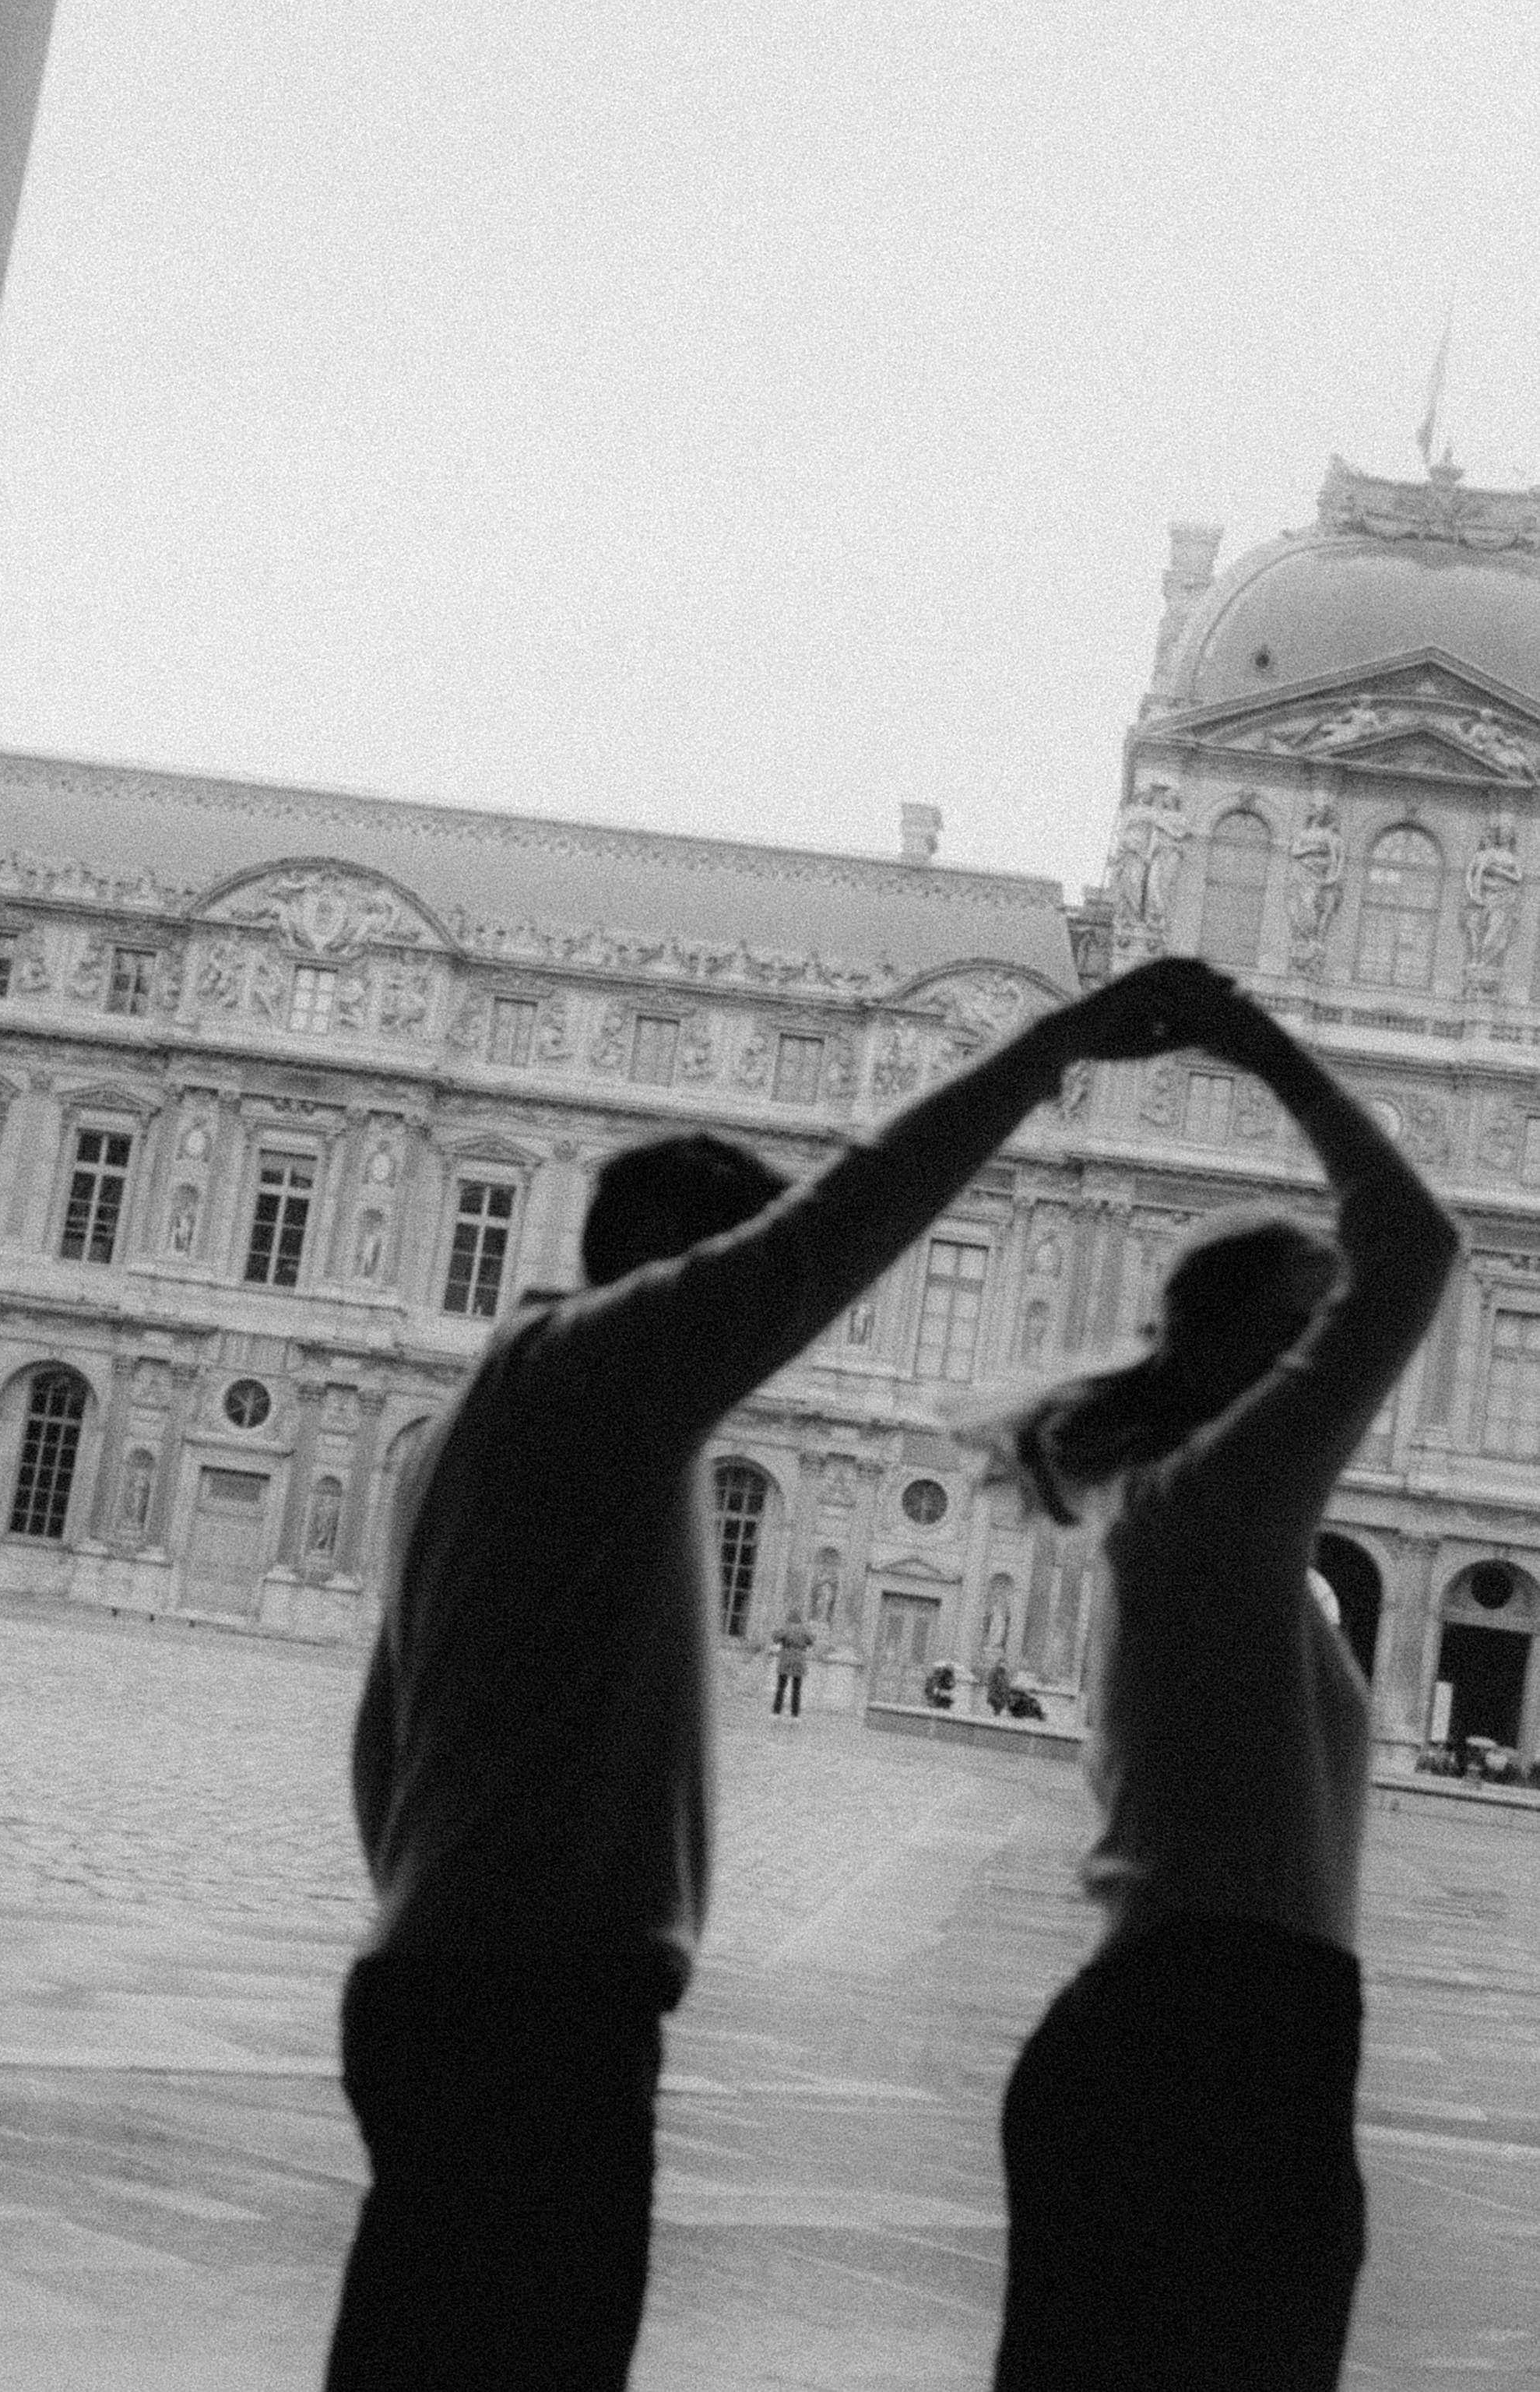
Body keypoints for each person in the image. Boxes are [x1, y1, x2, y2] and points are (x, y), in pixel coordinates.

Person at [324, 955, 1226, 2392]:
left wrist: (449, 1894)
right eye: (730, 1278)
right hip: (527, 1999)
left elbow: (383, 1737)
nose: (762, 1332)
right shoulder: (602, 1368)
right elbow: (850, 1218)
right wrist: (1058, 1040)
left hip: (455, 1976)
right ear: (677, 1261)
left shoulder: (485, 1418)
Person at [986, 975, 1457, 2392]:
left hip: (1236, 2032)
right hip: (1210, 2040)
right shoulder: (1211, 1507)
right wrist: (1262, 1051)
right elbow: (1418, 1243)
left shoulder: (1239, 1546)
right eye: (1312, 1330)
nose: (1345, 1362)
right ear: (1248, 1353)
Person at [771, 1609, 814, 1717]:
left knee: (781, 1687)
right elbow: (811, 1641)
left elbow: (775, 1638)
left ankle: (776, 1711)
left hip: (786, 1656)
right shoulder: (804, 1630)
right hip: (799, 1658)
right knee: (797, 1689)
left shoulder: (786, 1628)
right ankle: (795, 1713)